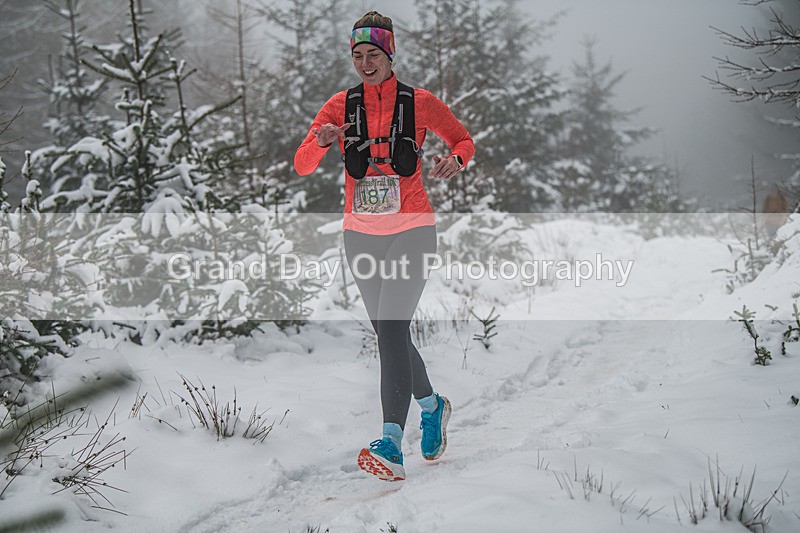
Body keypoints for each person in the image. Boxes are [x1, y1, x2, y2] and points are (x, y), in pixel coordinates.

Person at [294, 11, 475, 481]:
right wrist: (320, 139)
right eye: (358, 55)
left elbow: (462, 140)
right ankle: (433, 407)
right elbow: (302, 164)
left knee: (392, 327)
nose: (365, 63)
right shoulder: (340, 104)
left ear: (390, 55)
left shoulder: (419, 102)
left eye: (374, 54)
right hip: (360, 235)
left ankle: (391, 442)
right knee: (389, 334)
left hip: (412, 229)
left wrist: (454, 160)